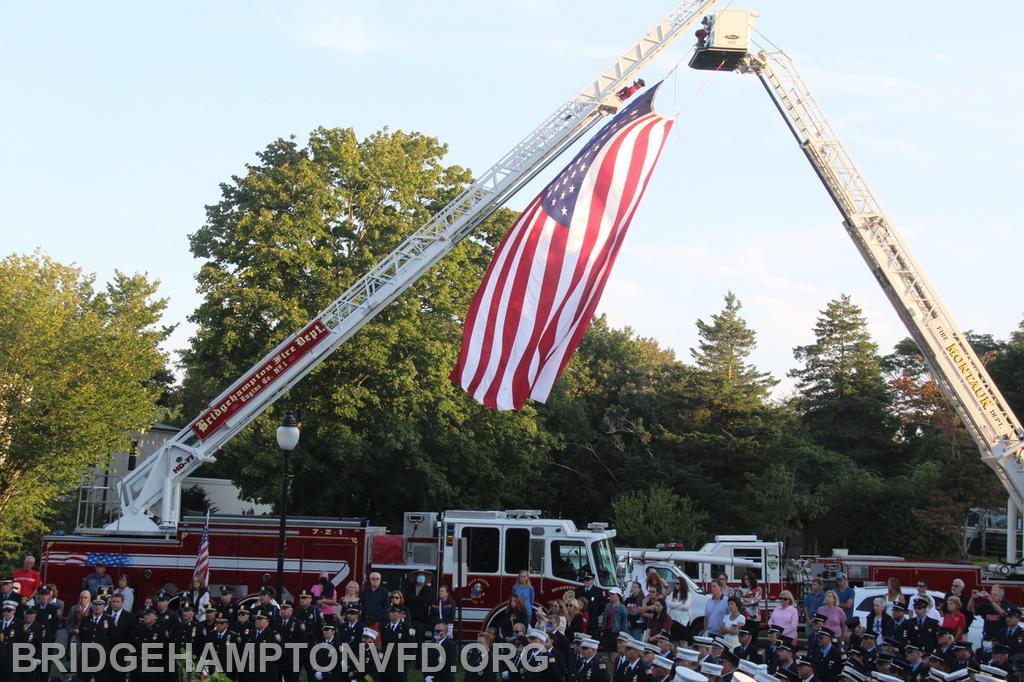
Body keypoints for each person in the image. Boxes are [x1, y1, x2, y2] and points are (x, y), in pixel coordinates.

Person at [402, 570, 435, 640]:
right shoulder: (409, 588)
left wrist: (414, 600)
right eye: (420, 575)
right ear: (416, 577)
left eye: (423, 576)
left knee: (420, 640)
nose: (421, 577)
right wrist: (419, 601)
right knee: (409, 639)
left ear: (425, 578)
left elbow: (425, 601)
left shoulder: (429, 590)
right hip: (409, 618)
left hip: (422, 620)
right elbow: (406, 599)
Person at [736, 572, 763, 643]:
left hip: (754, 619)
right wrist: (749, 600)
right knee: (743, 639)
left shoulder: (758, 589)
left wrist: (745, 599)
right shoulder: (740, 589)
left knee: (753, 639)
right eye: (745, 579)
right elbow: (738, 601)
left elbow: (755, 600)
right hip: (744, 618)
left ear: (752, 579)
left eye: (748, 579)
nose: (746, 581)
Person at [601, 587, 628, 651]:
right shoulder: (608, 606)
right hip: (607, 632)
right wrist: (603, 630)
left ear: (618, 596)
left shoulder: (622, 608)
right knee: (608, 652)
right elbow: (605, 619)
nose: (611, 596)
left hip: (616, 633)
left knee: (614, 653)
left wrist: (622, 635)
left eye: (613, 594)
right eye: (610, 594)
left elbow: (624, 623)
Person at [667, 578, 693, 644]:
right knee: (673, 642)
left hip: (683, 622)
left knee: (683, 642)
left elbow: (686, 607)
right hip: (673, 620)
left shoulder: (688, 594)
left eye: (678, 583)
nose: (676, 585)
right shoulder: (672, 594)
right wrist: (680, 603)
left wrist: (674, 606)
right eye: (675, 583)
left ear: (682, 584)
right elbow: (669, 604)